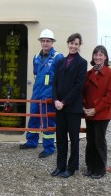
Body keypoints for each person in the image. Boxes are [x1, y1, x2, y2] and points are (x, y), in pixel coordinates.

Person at [19, 29, 63, 158]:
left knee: (48, 121)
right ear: (40, 42)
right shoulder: (36, 57)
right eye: (43, 41)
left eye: (48, 41)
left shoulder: (57, 57)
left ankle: (49, 148)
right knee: (33, 117)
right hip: (36, 93)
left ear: (52, 42)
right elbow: (36, 74)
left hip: (49, 95)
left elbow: (61, 78)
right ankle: (31, 142)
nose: (45, 43)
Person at [51, 33, 87, 178]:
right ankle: (60, 166)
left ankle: (71, 168)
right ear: (68, 44)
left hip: (72, 108)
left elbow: (79, 86)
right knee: (60, 138)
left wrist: (64, 102)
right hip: (59, 107)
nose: (73, 46)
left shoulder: (82, 63)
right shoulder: (61, 61)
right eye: (71, 43)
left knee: (73, 139)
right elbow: (55, 83)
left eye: (76, 44)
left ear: (79, 46)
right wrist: (55, 100)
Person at [82, 45, 111, 179]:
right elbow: (83, 92)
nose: (98, 57)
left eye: (100, 55)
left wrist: (96, 109)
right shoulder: (89, 73)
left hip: (102, 113)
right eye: (96, 54)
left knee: (99, 140)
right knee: (90, 140)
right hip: (89, 112)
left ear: (105, 57)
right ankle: (90, 167)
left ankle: (100, 168)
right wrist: (84, 106)